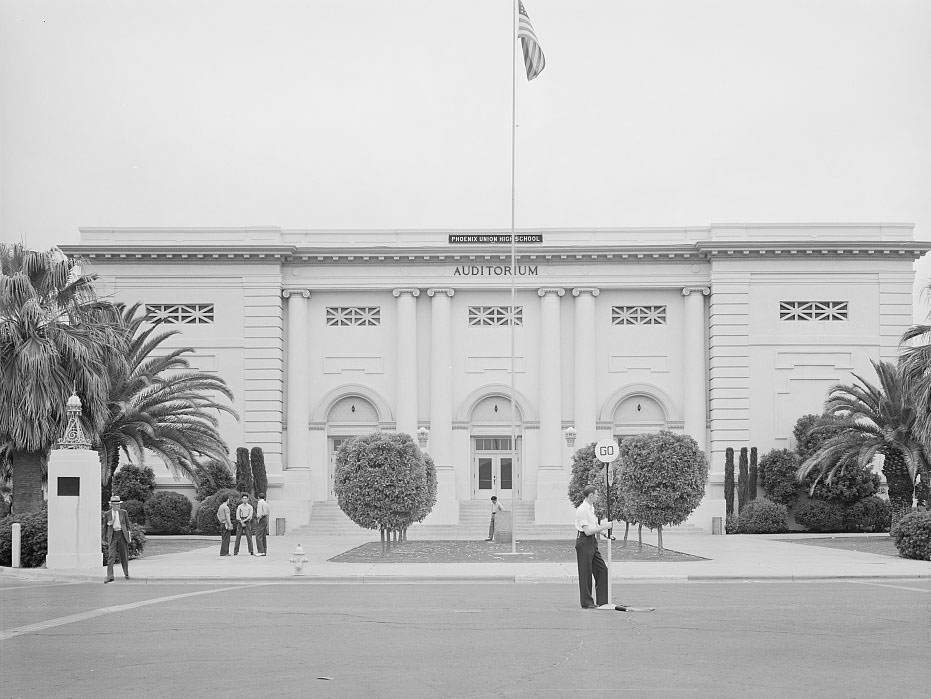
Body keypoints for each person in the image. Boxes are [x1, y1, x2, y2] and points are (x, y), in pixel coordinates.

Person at [574, 485, 614, 609]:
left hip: (592, 542)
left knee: (602, 569)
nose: (597, 496)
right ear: (590, 495)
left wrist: (605, 534)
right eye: (596, 494)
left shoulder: (591, 508)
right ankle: (587, 602)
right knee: (585, 573)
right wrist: (605, 526)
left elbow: (594, 524)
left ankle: (603, 601)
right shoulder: (582, 510)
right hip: (584, 541)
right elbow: (587, 531)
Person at [102, 495, 132, 583]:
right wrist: (104, 538)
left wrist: (128, 535)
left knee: (124, 555)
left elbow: (127, 525)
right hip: (113, 535)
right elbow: (104, 528)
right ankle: (110, 576)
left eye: (119, 504)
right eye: (116, 505)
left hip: (122, 535)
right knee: (111, 556)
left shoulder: (123, 512)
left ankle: (126, 573)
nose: (118, 506)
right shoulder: (107, 514)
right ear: (111, 505)